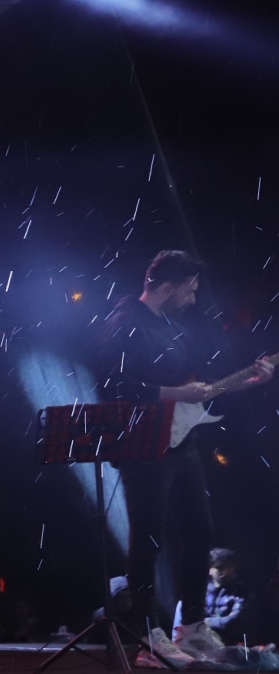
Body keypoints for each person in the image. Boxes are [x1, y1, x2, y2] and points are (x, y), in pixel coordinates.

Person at [94, 250, 272, 651]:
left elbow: (199, 389)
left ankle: (191, 626)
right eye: (189, 290)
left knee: (199, 532)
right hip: (143, 445)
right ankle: (147, 632)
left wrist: (248, 382)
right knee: (148, 538)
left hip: (181, 443)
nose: (193, 299)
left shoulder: (175, 331)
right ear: (167, 287)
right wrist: (176, 393)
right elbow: (114, 387)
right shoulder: (123, 325)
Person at [205, 548, 246, 642]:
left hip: (231, 645)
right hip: (203, 643)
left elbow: (233, 621)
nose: (225, 571)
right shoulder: (202, 593)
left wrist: (205, 622)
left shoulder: (241, 592)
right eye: (220, 567)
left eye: (229, 566)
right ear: (210, 570)